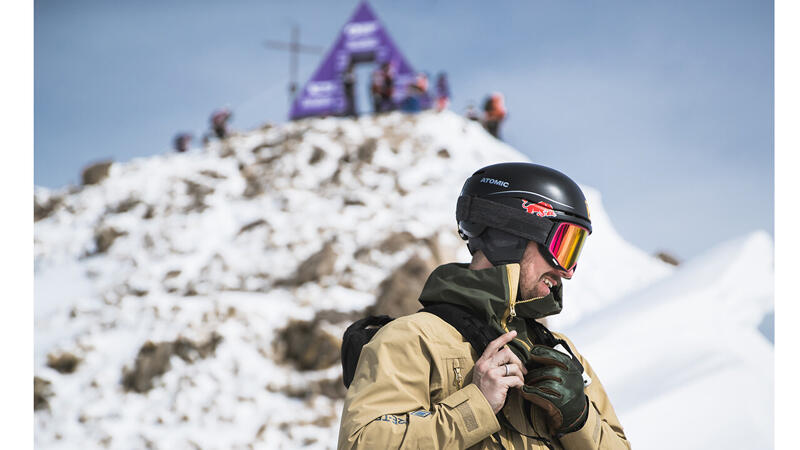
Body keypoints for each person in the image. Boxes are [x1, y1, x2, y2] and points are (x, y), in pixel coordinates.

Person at [338, 162, 630, 449]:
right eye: (563, 246)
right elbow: (361, 444)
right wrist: (476, 406)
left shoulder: (558, 352)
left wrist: (579, 420)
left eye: (575, 251)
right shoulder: (414, 339)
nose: (568, 272)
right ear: (512, 234)